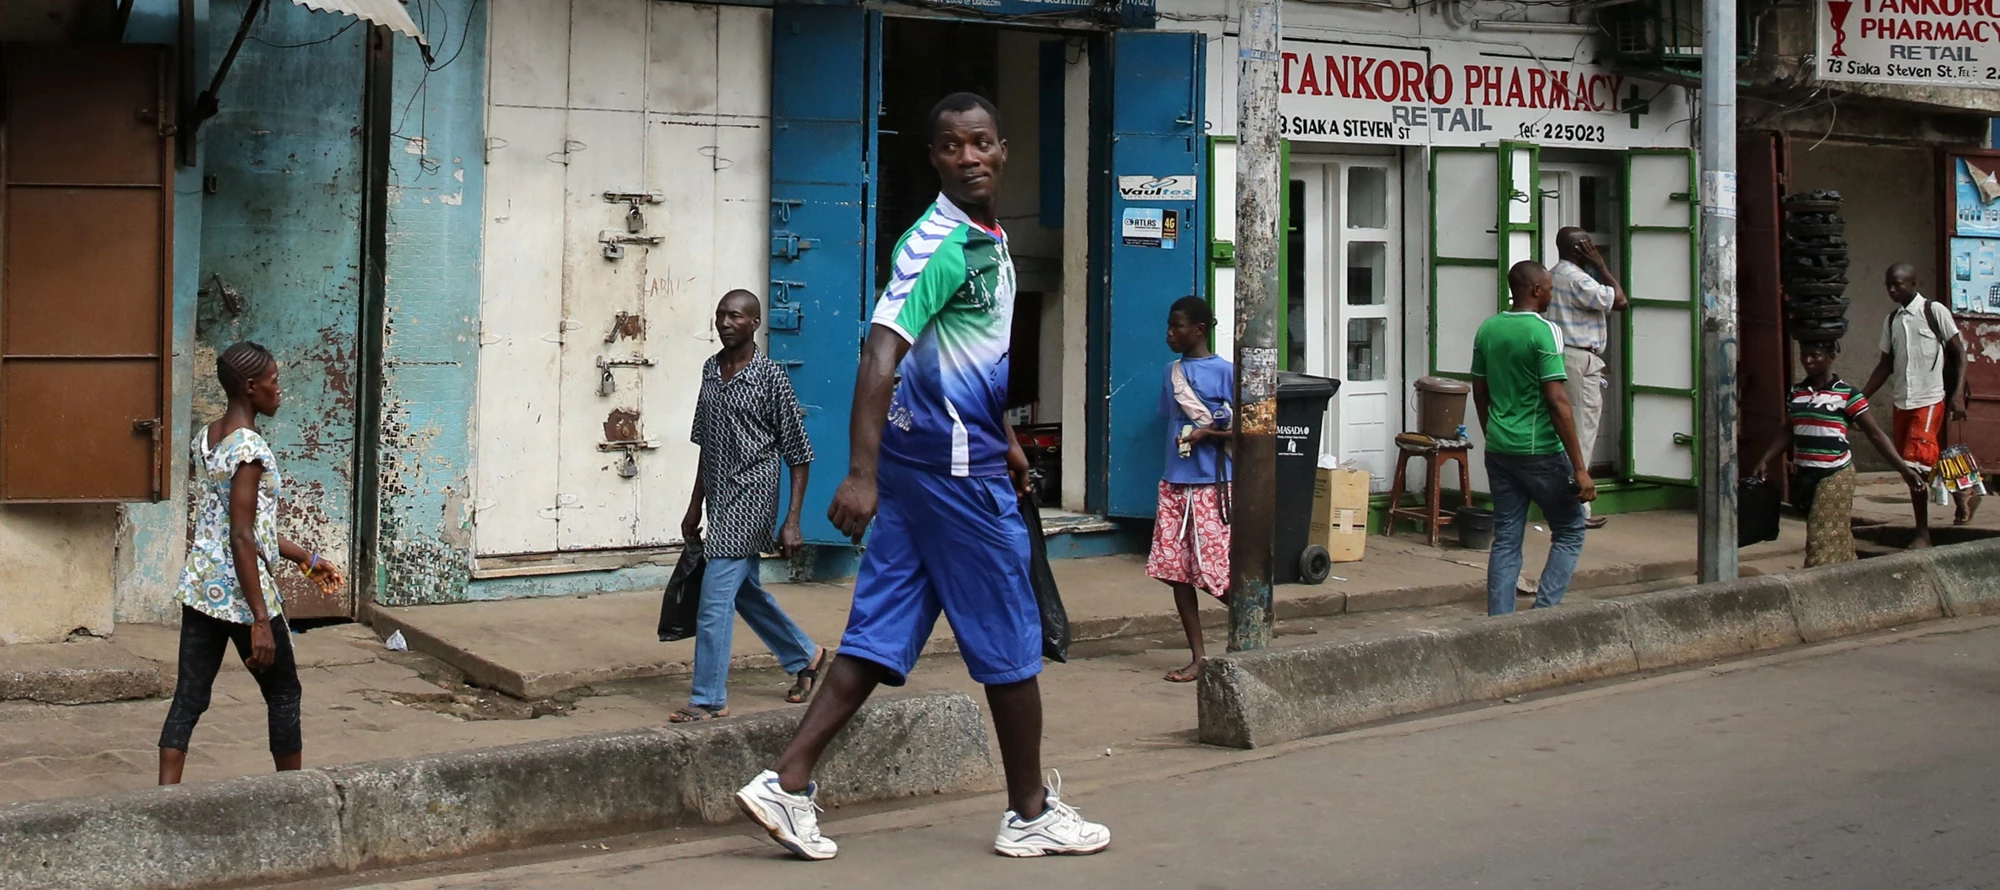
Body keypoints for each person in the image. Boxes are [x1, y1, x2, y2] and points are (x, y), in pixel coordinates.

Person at [732, 92, 1110, 862]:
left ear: (1003, 150)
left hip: (940, 465)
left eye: (979, 143)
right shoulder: (936, 244)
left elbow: (973, 358)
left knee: (878, 639)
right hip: (949, 482)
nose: (967, 157)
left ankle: (787, 783)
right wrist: (859, 474)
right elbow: (881, 353)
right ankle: (1029, 812)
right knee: (1012, 643)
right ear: (934, 158)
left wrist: (1002, 432)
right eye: (950, 147)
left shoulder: (989, 239)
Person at [158, 342, 344, 785]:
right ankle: (291, 797)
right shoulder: (250, 449)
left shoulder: (209, 436)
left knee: (189, 698)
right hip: (244, 595)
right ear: (249, 387)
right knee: (283, 693)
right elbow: (242, 535)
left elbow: (243, 522)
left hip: (202, 589)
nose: (279, 390)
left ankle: (164, 801)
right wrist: (260, 619)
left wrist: (305, 557)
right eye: (274, 382)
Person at [673, 289, 828, 723]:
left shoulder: (772, 377)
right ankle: (806, 656)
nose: (725, 322)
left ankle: (707, 699)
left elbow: (799, 453)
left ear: (755, 323)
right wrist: (694, 506)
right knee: (743, 592)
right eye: (720, 314)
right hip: (720, 498)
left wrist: (792, 519)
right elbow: (706, 443)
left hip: (754, 498)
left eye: (735, 316)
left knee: (714, 599)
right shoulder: (710, 370)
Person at [1471, 262, 1597, 617]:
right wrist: (1580, 468)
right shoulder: (1545, 332)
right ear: (1537, 290)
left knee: (1508, 537)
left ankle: (1500, 620)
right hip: (1540, 450)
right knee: (1571, 529)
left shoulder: (1488, 329)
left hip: (1499, 448)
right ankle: (1544, 614)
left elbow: (1480, 391)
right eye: (1550, 289)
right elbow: (1558, 402)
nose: (1552, 295)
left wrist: (1492, 432)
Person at [1754, 340, 1924, 567]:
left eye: (1814, 355)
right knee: (1837, 535)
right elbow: (1788, 430)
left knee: (1820, 537)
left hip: (1834, 475)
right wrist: (1766, 459)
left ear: (1830, 356)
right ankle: (1847, 576)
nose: (1808, 360)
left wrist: (1904, 469)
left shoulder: (1848, 395)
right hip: (1805, 476)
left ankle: (1815, 584)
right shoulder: (1797, 392)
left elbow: (1875, 434)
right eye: (1804, 355)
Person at [1147, 296, 1235, 684]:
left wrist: (1209, 433)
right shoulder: (1172, 373)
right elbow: (1170, 421)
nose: (1170, 332)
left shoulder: (1227, 373)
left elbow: (1253, 430)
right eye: (1168, 325)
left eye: (1177, 326)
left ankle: (1255, 622)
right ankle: (1198, 657)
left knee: (1214, 573)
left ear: (1199, 330)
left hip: (1212, 484)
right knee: (1177, 574)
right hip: (1175, 482)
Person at [1862, 263, 1977, 547]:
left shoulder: (1934, 311)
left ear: (1913, 282)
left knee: (1914, 466)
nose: (1892, 290)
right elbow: (1885, 365)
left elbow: (1959, 353)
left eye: (1898, 284)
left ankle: (1922, 533)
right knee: (1916, 462)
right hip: (1902, 402)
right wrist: (1861, 397)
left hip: (1930, 399)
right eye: (1888, 284)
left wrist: (1958, 394)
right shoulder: (1892, 321)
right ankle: (1964, 490)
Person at [1544, 227, 1627, 530]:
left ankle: (1573, 507)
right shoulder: (1578, 279)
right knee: (1582, 432)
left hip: (1562, 356)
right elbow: (1620, 301)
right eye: (1589, 246)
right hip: (1579, 358)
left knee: (1570, 431)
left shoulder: (1554, 274)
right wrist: (1603, 267)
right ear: (1581, 249)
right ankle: (1577, 511)